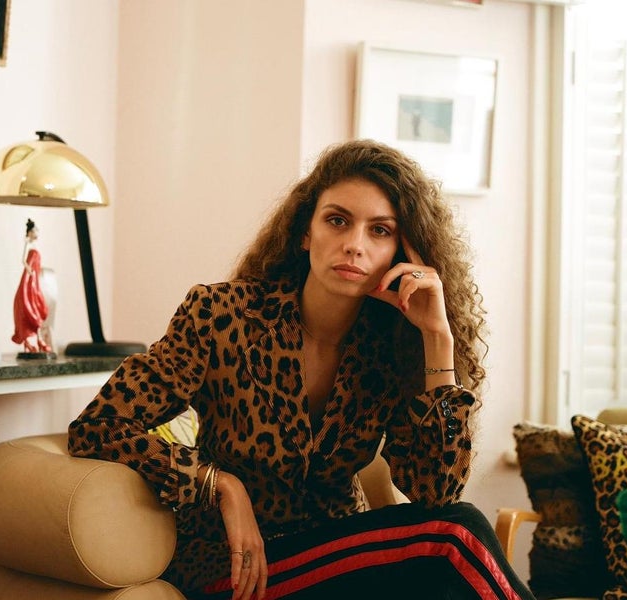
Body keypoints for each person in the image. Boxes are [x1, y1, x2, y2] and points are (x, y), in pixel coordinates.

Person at [68, 140, 534, 600]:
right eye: (337, 221)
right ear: (305, 232)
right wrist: (219, 485)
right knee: (456, 537)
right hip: (233, 566)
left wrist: (438, 339)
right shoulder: (221, 315)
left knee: (451, 544)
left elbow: (437, 492)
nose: (354, 245)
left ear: (402, 252)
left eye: (380, 231)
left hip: (340, 559)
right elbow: (98, 426)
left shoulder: (391, 348)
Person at [12, 218, 51, 354]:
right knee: (30, 305)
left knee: (37, 305)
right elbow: (23, 260)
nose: (36, 232)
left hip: (35, 280)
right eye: (34, 230)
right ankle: (33, 340)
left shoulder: (34, 246)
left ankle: (38, 340)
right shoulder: (28, 244)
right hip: (29, 278)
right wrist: (29, 271)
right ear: (29, 232)